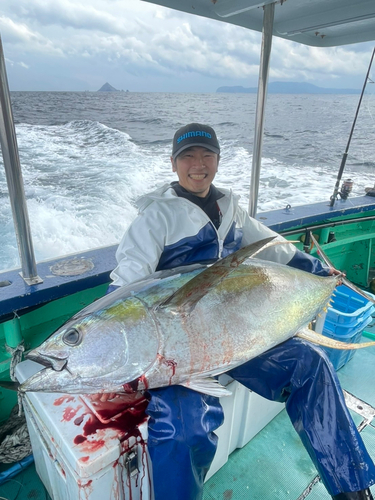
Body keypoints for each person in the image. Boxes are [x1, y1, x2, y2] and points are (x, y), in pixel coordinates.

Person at [106, 123, 375, 500]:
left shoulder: (229, 205)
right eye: (188, 156)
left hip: (237, 329)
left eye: (206, 155)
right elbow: (129, 279)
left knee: (311, 364)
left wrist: (315, 267)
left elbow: (271, 245)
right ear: (173, 163)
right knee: (184, 431)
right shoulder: (155, 218)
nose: (197, 165)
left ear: (217, 160)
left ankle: (352, 489)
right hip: (180, 349)